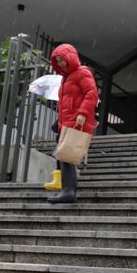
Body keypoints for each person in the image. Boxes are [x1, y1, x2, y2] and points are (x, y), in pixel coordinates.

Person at [48, 43, 98, 204]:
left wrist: (82, 113)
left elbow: (91, 93)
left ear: (71, 58)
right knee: (64, 156)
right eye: (59, 61)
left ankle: (69, 191)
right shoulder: (66, 78)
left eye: (63, 60)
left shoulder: (81, 72)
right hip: (67, 121)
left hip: (76, 120)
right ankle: (66, 190)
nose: (61, 64)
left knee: (66, 156)